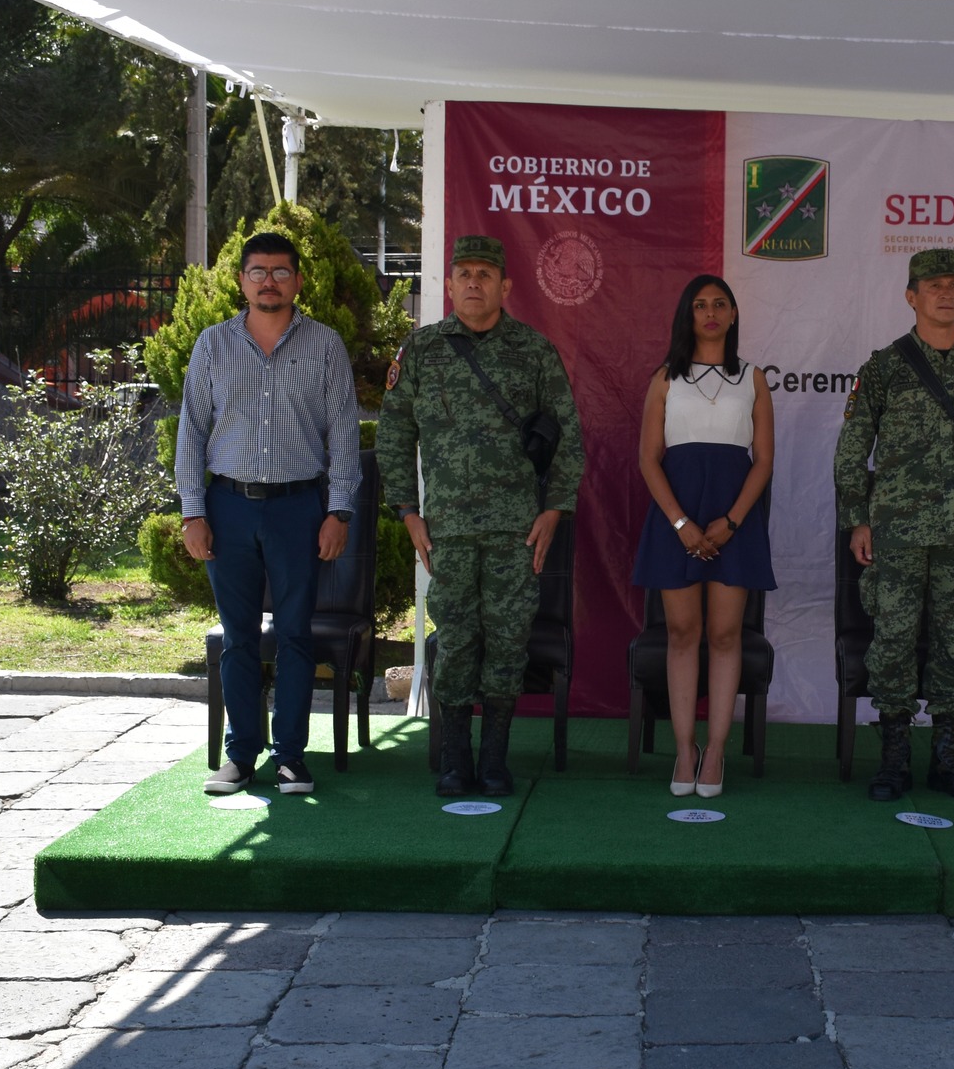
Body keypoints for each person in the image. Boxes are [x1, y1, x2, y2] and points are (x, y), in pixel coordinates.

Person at [376, 234, 585, 799]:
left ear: (505, 286)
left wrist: (555, 509)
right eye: (463, 273)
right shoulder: (420, 351)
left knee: (508, 641)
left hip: (516, 529)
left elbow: (567, 435)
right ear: (447, 285)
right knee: (458, 640)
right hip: (446, 528)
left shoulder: (533, 351)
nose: (473, 282)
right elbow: (394, 434)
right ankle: (454, 759)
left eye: (484, 274)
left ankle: (494, 758)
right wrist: (406, 510)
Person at [835, 247, 954, 802]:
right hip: (896, 532)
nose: (946, 293)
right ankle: (894, 757)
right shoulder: (884, 367)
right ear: (911, 296)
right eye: (933, 285)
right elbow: (852, 449)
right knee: (892, 642)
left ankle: (950, 758)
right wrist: (857, 519)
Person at [178, 231, 360, 798]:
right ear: (241, 281)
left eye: (280, 272)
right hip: (227, 507)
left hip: (298, 510)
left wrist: (339, 510)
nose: (269, 282)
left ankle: (290, 759)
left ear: (298, 281)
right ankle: (241, 757)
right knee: (238, 639)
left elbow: (344, 436)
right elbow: (193, 430)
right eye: (257, 271)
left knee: (295, 636)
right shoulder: (212, 345)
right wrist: (192, 512)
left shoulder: (326, 346)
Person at [631, 274, 776, 799]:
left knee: (724, 636)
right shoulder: (665, 378)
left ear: (734, 314)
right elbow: (649, 460)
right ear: (686, 316)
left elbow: (763, 461)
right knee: (682, 636)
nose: (710, 312)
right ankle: (684, 749)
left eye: (720, 304)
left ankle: (716, 751)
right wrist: (681, 524)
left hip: (734, 522)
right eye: (699, 305)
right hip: (677, 520)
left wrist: (732, 522)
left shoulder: (753, 379)